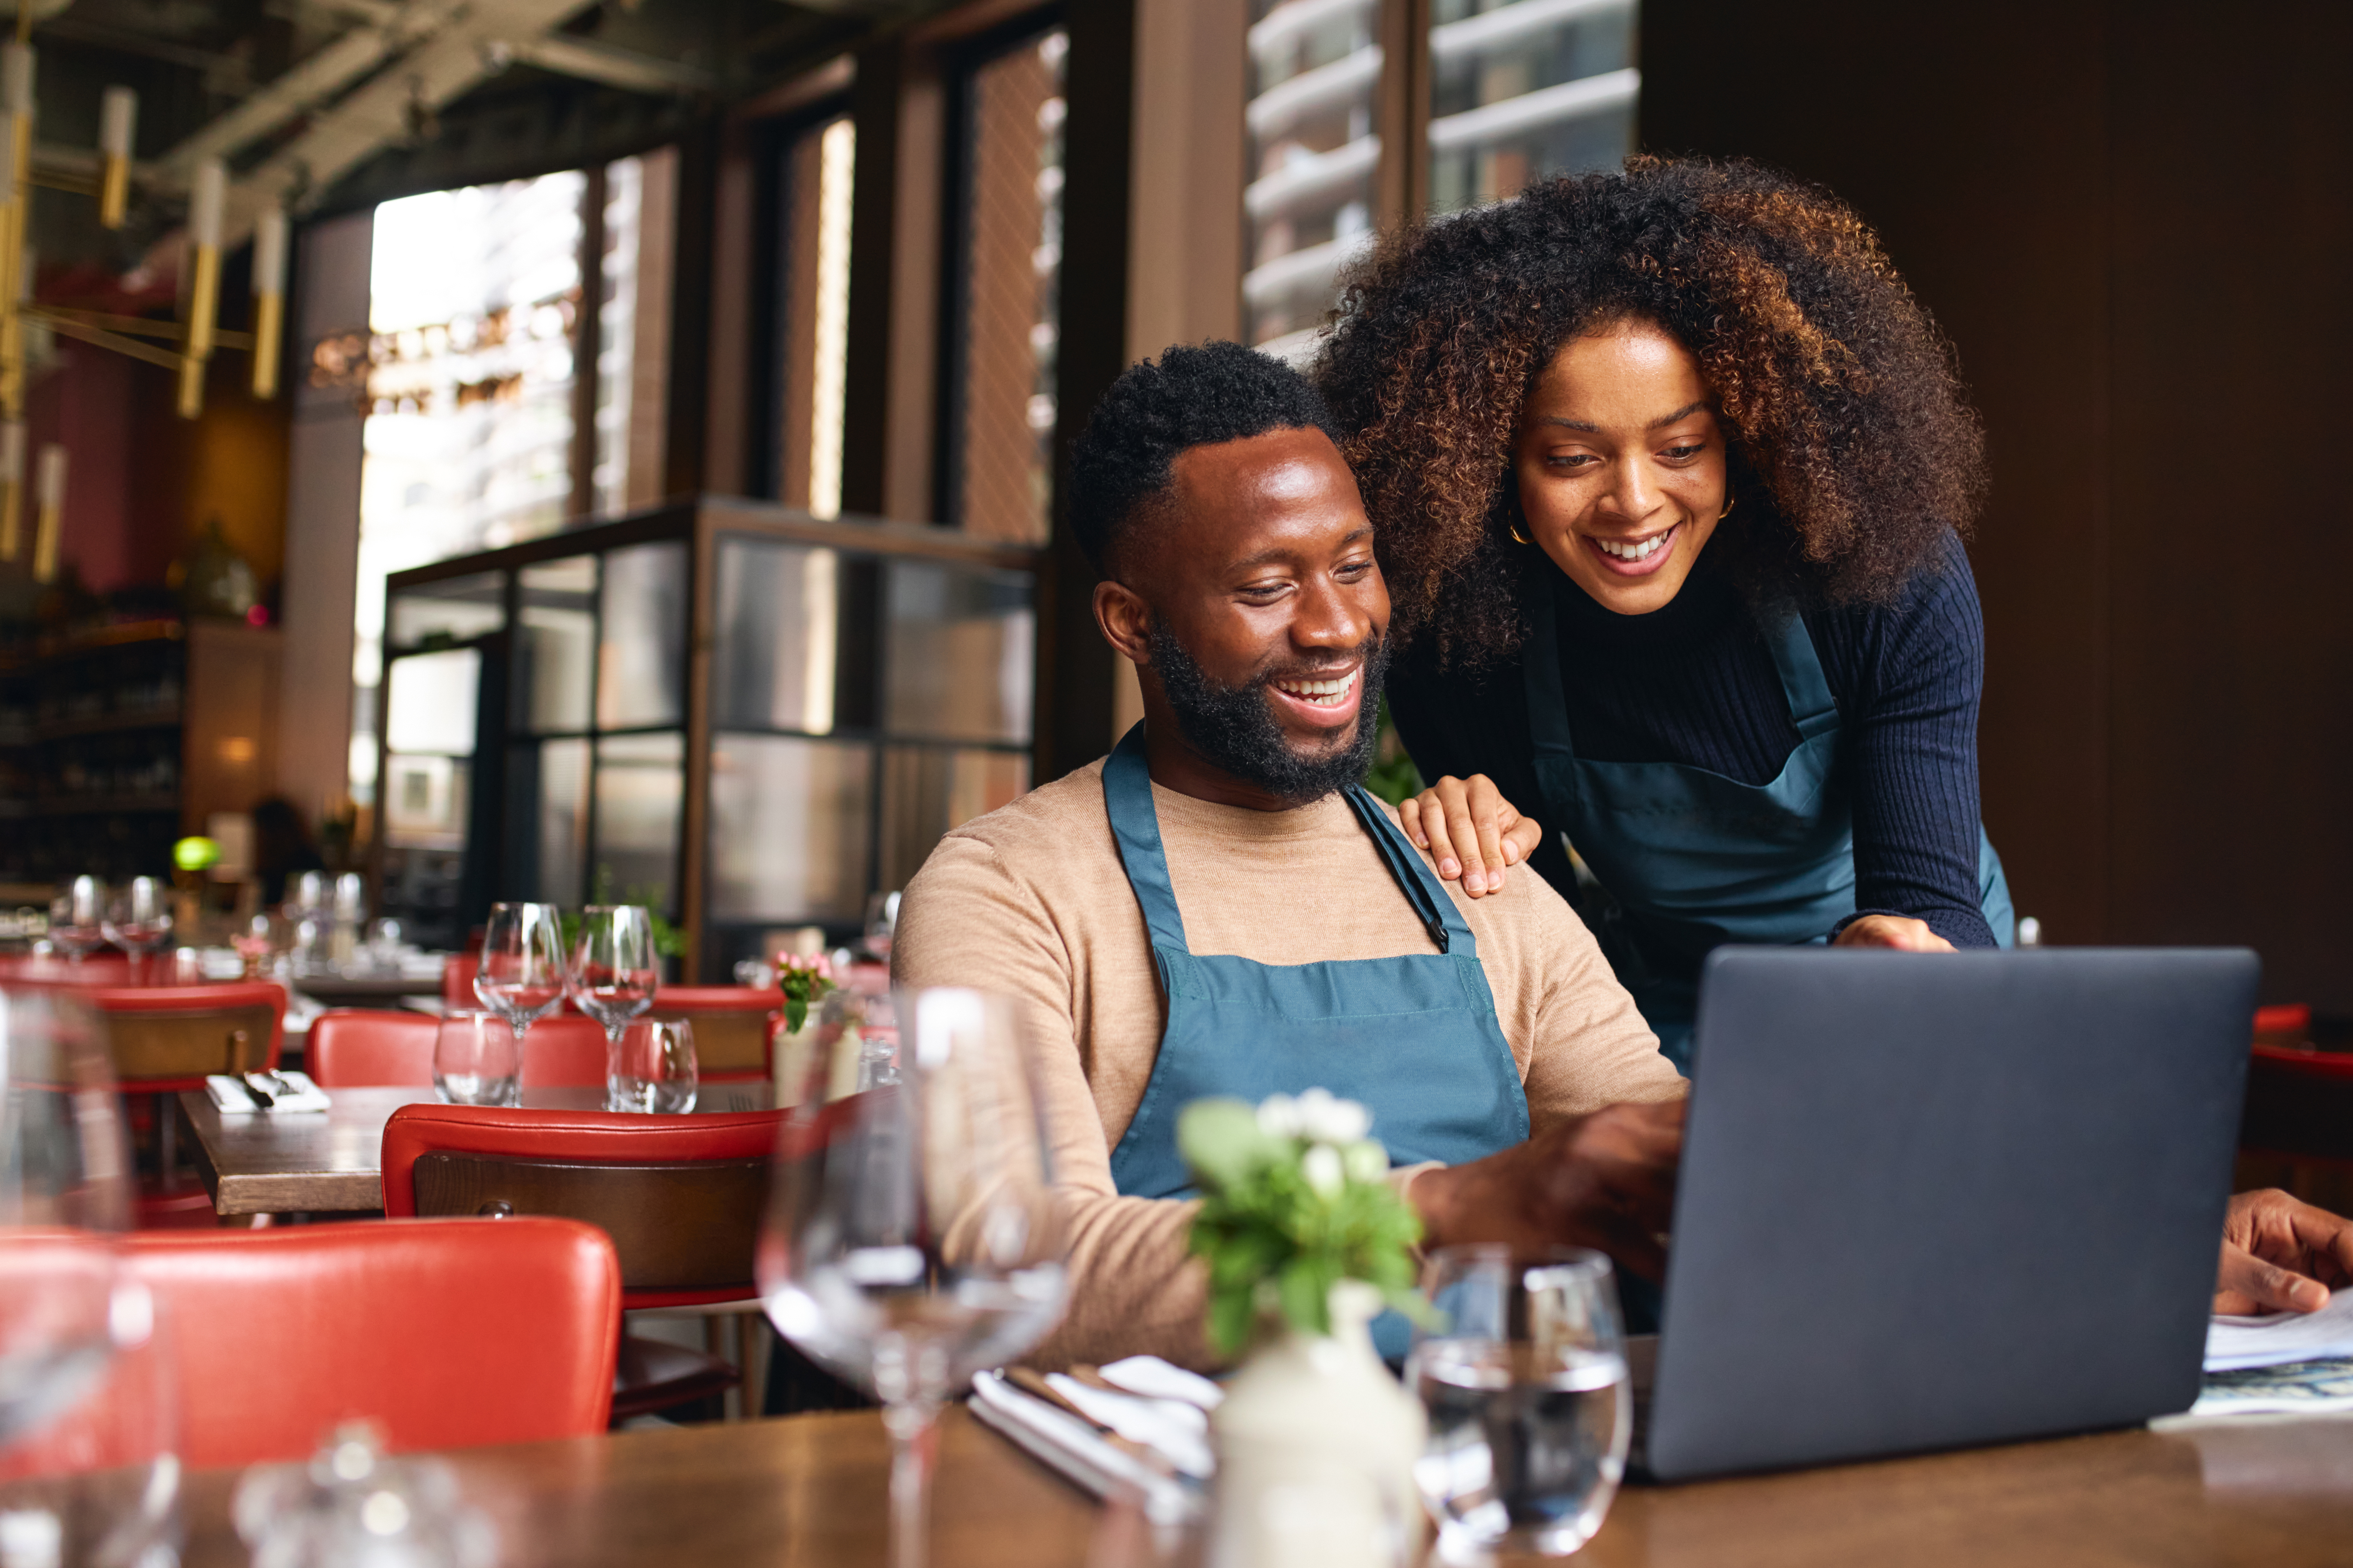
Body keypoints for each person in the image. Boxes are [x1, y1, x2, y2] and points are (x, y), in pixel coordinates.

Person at [893, 342, 2353, 1370]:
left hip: (1504, 1476)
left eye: (1351, 568)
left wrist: (2116, 1238)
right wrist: (1463, 1206)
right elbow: (1015, 1262)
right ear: (1127, 620)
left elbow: (1725, 1182)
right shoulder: (1010, 886)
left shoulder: (1468, 879)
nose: (1336, 628)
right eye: (1266, 588)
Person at [1314, 157, 2010, 1069]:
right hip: (1666, 1012)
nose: (1634, 503)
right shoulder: (1459, 639)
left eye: (1681, 446)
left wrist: (1905, 957)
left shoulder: (1881, 577)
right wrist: (1470, 850)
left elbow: (1931, 897)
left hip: (1903, 987)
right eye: (1571, 459)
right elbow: (1547, 954)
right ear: (1489, 472)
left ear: (1747, 440)